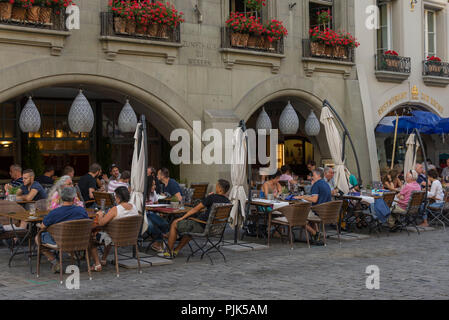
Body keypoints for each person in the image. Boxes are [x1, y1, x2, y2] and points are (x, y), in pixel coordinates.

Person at [160, 179, 230, 259]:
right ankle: (176, 249)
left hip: (202, 226)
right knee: (190, 226)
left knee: (174, 223)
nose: (215, 187)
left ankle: (168, 252)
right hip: (215, 229)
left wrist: (182, 218)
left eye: (217, 186)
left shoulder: (212, 197)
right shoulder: (227, 202)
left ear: (220, 189)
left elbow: (196, 209)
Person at [35, 187, 89, 273]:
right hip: (79, 241)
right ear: (74, 198)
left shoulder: (55, 212)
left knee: (38, 238)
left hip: (60, 241)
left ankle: (55, 262)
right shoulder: (81, 210)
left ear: (60, 198)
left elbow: (43, 226)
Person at [90, 186, 139, 271]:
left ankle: (97, 264)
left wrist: (100, 215)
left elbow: (101, 223)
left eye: (115, 197)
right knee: (108, 234)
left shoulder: (116, 209)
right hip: (131, 237)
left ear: (119, 198)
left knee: (91, 237)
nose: (115, 199)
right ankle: (103, 259)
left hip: (114, 238)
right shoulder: (134, 207)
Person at [294, 168, 332, 242]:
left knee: (298, 217)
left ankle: (314, 233)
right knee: (310, 214)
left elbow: (314, 199)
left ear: (318, 175)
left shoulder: (316, 185)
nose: (312, 177)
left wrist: (302, 197)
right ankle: (317, 233)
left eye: (313, 175)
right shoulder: (326, 184)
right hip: (326, 212)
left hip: (318, 213)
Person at [145, 176, 169, 253]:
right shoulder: (141, 194)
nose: (154, 187)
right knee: (151, 226)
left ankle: (159, 242)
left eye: (154, 184)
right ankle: (159, 240)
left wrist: (159, 211)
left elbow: (156, 204)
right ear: (147, 185)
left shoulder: (154, 193)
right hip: (143, 215)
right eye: (152, 185)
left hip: (151, 213)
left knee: (164, 223)